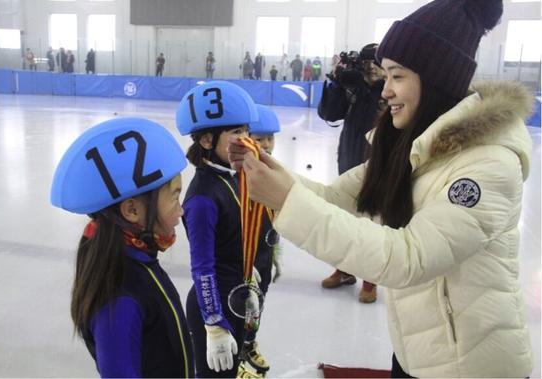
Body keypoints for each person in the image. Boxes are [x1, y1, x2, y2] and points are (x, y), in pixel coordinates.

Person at [228, 0, 534, 377]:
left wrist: (285, 200)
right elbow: (334, 199)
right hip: (417, 354)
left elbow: (408, 258)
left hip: (471, 366)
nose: (385, 90)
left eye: (397, 76)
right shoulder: (412, 146)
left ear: (437, 77)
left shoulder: (488, 164)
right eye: (385, 76)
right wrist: (272, 172)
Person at [50, 117, 194, 377]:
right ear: (132, 210)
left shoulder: (137, 259)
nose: (181, 210)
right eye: (174, 197)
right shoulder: (119, 299)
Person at [176, 81, 260, 377]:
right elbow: (202, 267)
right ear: (207, 141)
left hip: (238, 301)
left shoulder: (234, 176)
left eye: (247, 130)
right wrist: (213, 324)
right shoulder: (202, 198)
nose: (246, 139)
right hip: (214, 309)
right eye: (236, 132)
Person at [317, 43, 385, 303]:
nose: (370, 67)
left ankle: (371, 279)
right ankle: (344, 270)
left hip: (379, 161)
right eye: (366, 62)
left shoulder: (392, 88)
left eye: (376, 62)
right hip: (349, 156)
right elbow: (328, 113)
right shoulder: (353, 84)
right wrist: (337, 83)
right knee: (344, 217)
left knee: (373, 221)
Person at [240, 104, 283, 377]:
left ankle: (249, 344)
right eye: (259, 138)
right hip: (244, 261)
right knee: (242, 308)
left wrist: (275, 253)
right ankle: (238, 356)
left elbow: (274, 219)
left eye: (270, 138)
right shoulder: (239, 178)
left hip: (263, 257)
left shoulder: (271, 173)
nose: (266, 144)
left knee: (257, 306)